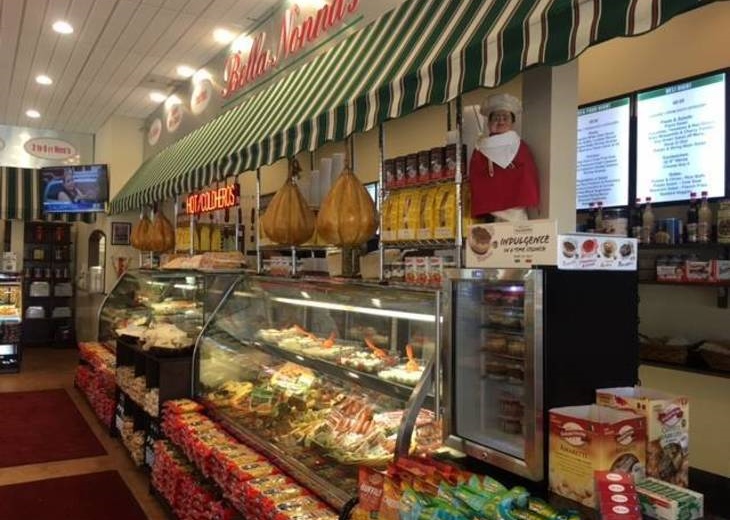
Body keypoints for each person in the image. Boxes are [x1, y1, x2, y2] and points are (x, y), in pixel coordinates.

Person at [468, 93, 540, 222]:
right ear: (489, 122)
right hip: (490, 211)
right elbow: (477, 177)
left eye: (505, 118)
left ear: (513, 122)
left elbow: (528, 175)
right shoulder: (480, 149)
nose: (500, 121)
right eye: (496, 118)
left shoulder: (520, 146)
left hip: (516, 209)